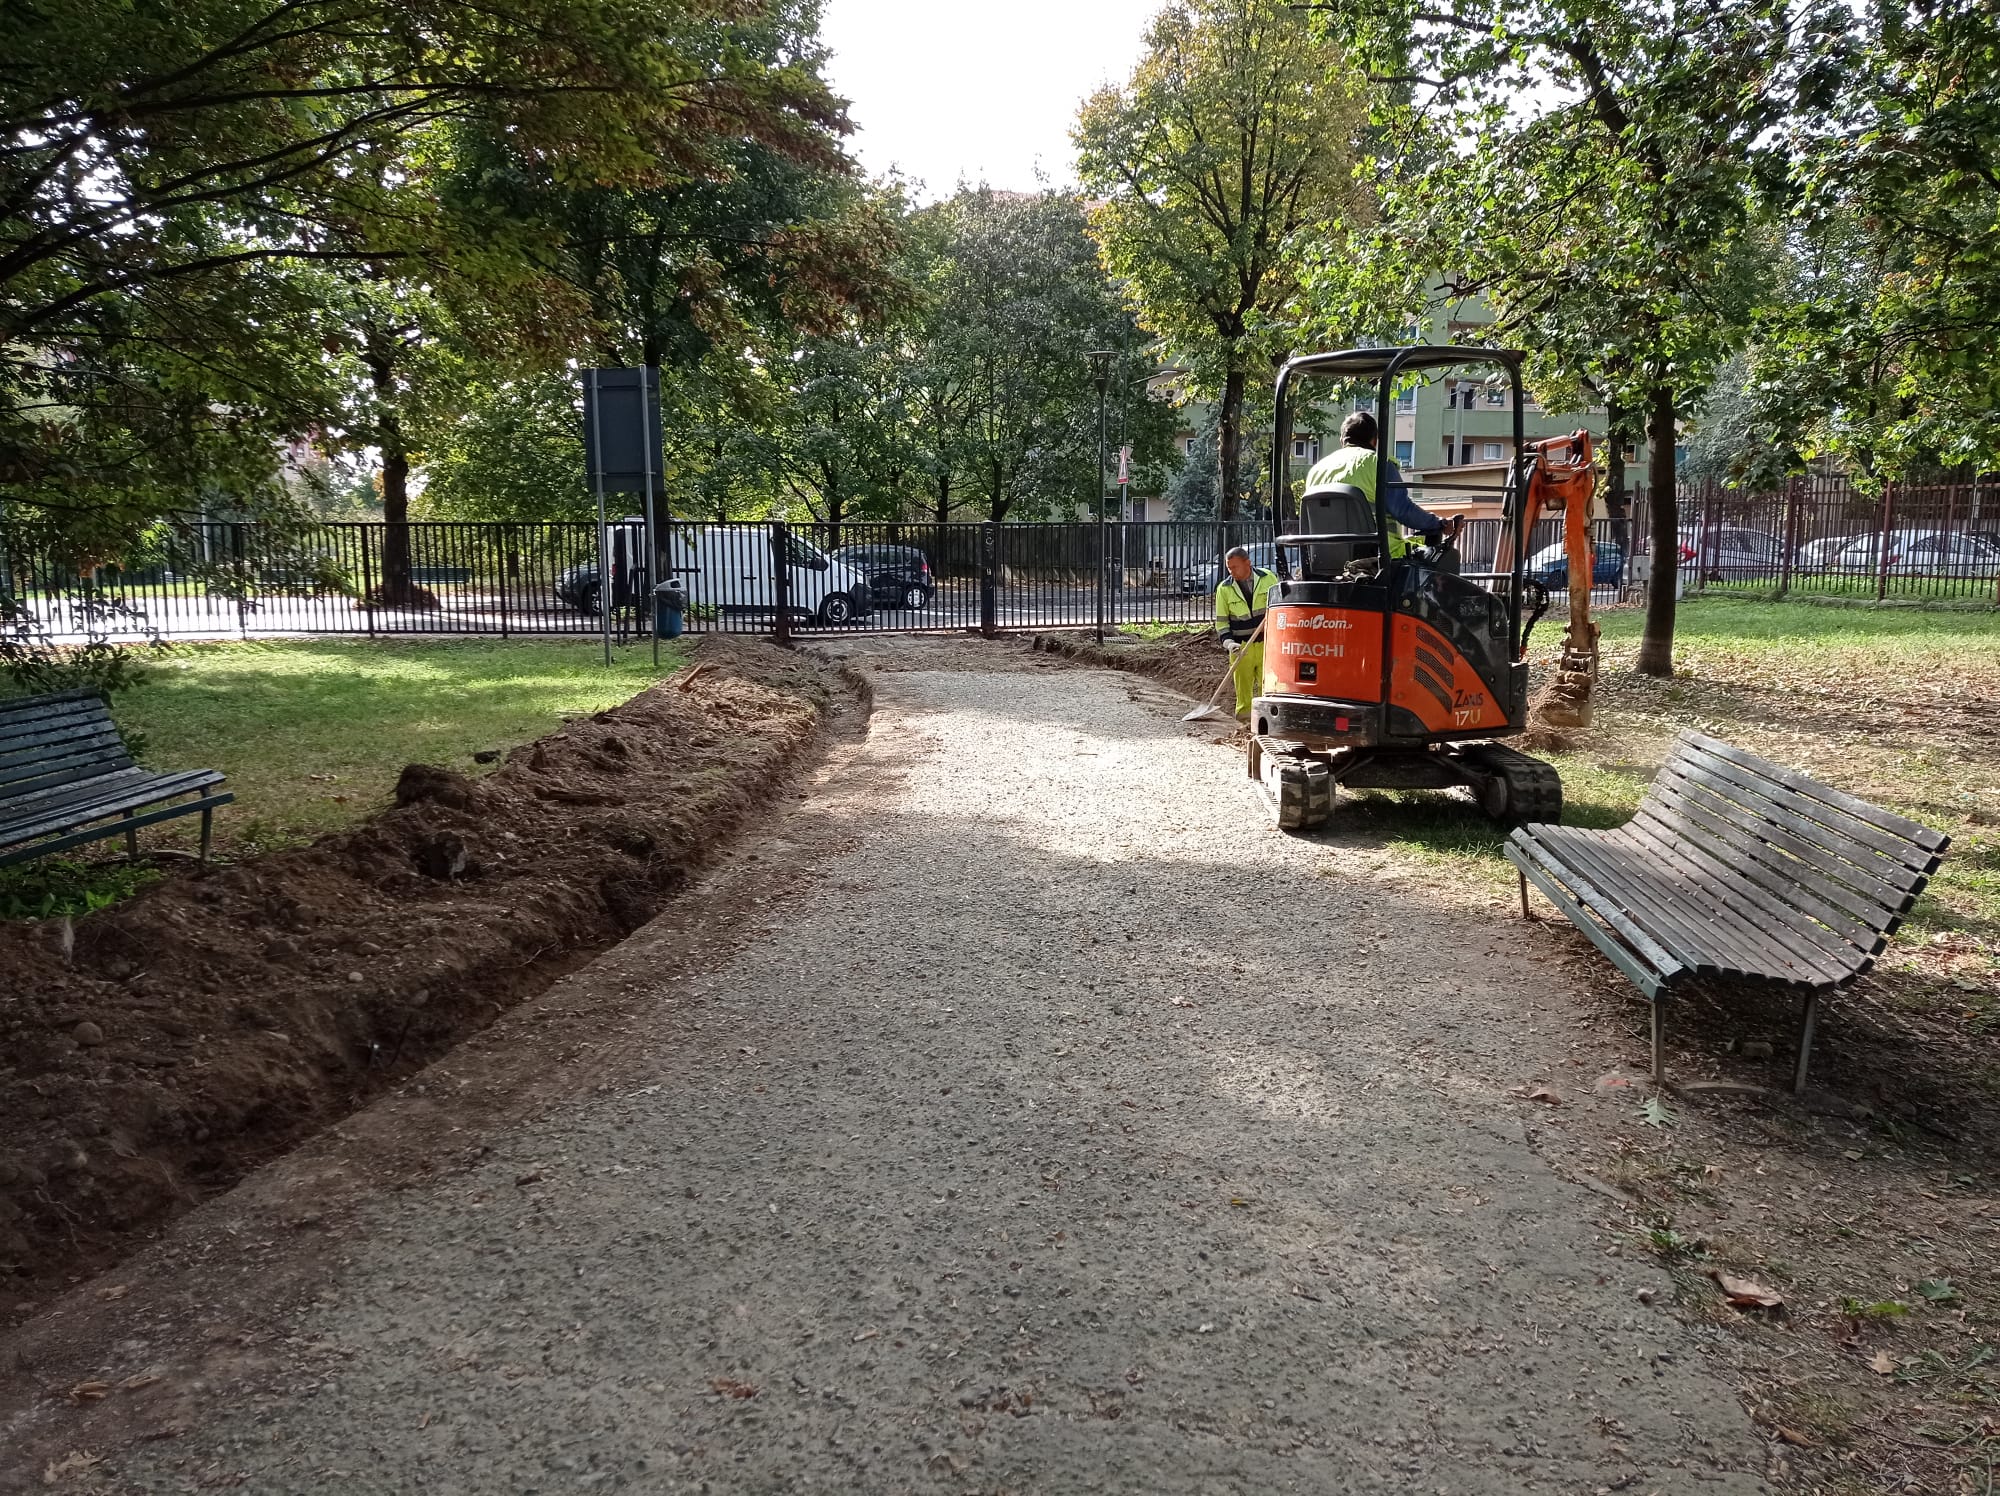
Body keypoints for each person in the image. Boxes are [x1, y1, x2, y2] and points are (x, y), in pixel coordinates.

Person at [1305, 411, 1461, 556]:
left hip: (1322, 557)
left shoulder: (1316, 470)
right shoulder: (1378, 464)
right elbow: (1403, 510)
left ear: (1342, 440)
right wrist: (1439, 523)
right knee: (1444, 560)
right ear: (1375, 441)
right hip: (1378, 556)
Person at [1213, 544, 1278, 721]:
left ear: (1247, 563)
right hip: (1241, 648)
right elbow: (1222, 623)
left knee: (1269, 688)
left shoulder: (1268, 578)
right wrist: (1228, 643)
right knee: (1243, 692)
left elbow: (1280, 608)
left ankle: (1268, 723)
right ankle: (1244, 724)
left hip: (1267, 646)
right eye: (1229, 568)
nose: (1231, 572)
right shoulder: (1224, 589)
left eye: (1234, 567)